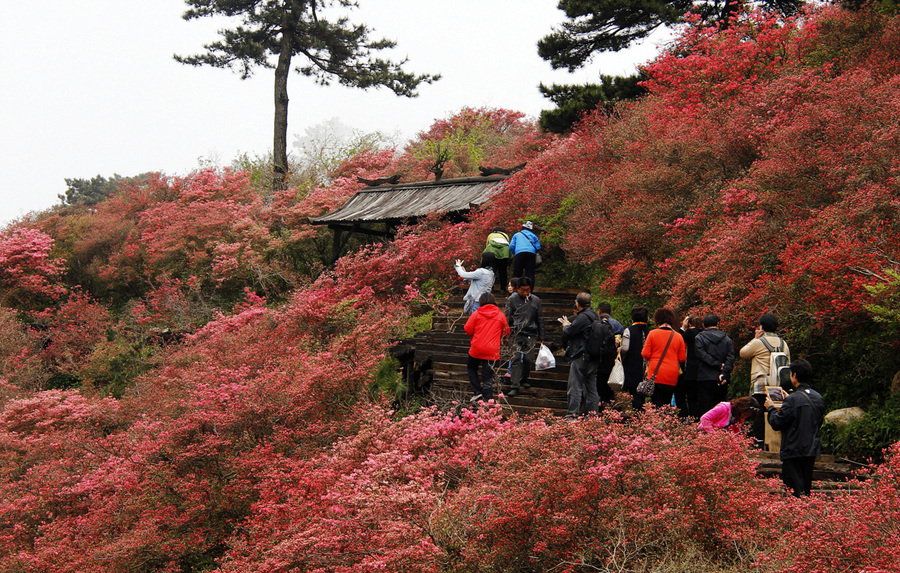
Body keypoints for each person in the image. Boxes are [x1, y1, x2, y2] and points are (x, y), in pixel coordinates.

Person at [764, 359, 826, 497]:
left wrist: (771, 408)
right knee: (806, 487)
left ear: (794, 376)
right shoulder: (818, 397)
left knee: (793, 489)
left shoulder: (792, 400)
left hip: (793, 449)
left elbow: (777, 423)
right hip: (811, 448)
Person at [740, 313, 791, 443]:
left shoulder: (758, 342)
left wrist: (754, 338)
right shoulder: (783, 343)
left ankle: (759, 440)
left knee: (758, 412)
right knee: (775, 410)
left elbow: (743, 353)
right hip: (778, 384)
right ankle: (775, 441)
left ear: (762, 326)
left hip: (761, 382)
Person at [463, 292, 510, 402]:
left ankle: (477, 392)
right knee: (488, 377)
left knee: (471, 368)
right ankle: (488, 401)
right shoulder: (500, 315)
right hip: (492, 351)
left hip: (477, 348)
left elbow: (468, 329)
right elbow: (506, 331)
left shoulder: (476, 314)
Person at [560, 292, 601, 418]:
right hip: (594, 356)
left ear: (577, 303)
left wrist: (566, 326)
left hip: (581, 355)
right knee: (591, 388)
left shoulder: (583, 317)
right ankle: (593, 416)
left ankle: (572, 414)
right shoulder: (595, 316)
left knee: (575, 386)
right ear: (591, 303)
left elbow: (570, 333)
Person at [503, 277, 545, 397]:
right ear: (517, 289)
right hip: (515, 333)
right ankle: (515, 385)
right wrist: (505, 333)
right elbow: (507, 316)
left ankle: (524, 378)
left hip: (531, 333)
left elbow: (540, 318)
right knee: (516, 359)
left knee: (528, 359)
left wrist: (542, 335)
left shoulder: (535, 300)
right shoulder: (512, 300)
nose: (525, 292)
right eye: (522, 290)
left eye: (527, 290)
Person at [641, 307, 687, 409]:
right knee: (666, 403)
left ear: (657, 320)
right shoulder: (678, 336)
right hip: (672, 374)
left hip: (655, 373)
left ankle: (656, 423)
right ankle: (666, 422)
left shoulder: (652, 333)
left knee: (656, 403)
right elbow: (682, 358)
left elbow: (646, 354)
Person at [695, 314, 736, 416]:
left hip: (704, 376)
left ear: (704, 325)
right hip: (721, 376)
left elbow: (702, 355)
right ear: (718, 324)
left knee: (704, 406)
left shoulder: (699, 338)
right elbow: (731, 357)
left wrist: (716, 364)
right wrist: (724, 370)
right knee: (720, 407)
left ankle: (704, 430)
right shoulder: (727, 339)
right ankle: (720, 431)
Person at [620, 304, 651, 411]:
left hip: (632, 364)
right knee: (643, 393)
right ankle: (642, 413)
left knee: (634, 392)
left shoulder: (629, 330)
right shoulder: (650, 331)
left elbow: (625, 348)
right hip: (647, 366)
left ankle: (637, 414)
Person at [675, 315, 704, 418]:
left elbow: (678, 338)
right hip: (703, 371)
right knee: (699, 397)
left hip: (690, 369)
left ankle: (688, 417)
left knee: (687, 396)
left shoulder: (690, 333)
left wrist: (683, 327)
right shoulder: (704, 334)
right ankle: (698, 417)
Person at [595, 301, 622, 407]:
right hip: (612, 359)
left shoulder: (596, 323)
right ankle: (609, 406)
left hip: (598, 358)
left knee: (598, 385)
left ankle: (599, 406)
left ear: (599, 311)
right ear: (611, 312)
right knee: (609, 385)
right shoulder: (617, 324)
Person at [509, 221, 541, 288]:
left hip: (519, 253)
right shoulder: (534, 236)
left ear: (523, 227)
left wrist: (515, 252)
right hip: (531, 254)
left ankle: (515, 289)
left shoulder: (517, 234)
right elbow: (538, 247)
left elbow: (511, 246)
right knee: (530, 273)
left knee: (517, 273)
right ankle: (530, 291)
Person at [483, 227, 511, 291]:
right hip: (504, 253)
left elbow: (487, 245)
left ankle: (490, 287)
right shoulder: (505, 235)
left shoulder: (490, 235)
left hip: (491, 252)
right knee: (503, 271)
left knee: (491, 271)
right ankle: (503, 288)